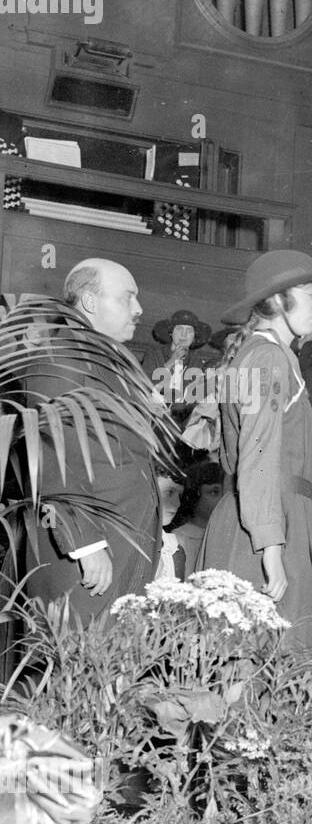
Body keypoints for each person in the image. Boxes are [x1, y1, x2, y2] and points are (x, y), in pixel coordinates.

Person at [196, 248, 312, 643]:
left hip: (273, 518)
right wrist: (270, 547)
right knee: (250, 667)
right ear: (277, 299)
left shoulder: (269, 356)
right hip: (265, 526)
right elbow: (258, 457)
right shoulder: (267, 359)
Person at [23, 258, 167, 621]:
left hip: (124, 546)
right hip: (89, 554)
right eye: (127, 298)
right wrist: (84, 542)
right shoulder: (60, 358)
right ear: (89, 301)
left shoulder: (105, 360)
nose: (138, 309)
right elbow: (53, 454)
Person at [169, 460, 224, 577]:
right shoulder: (180, 538)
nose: (222, 499)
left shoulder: (224, 533)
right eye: (214, 492)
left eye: (224, 493)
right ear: (194, 495)